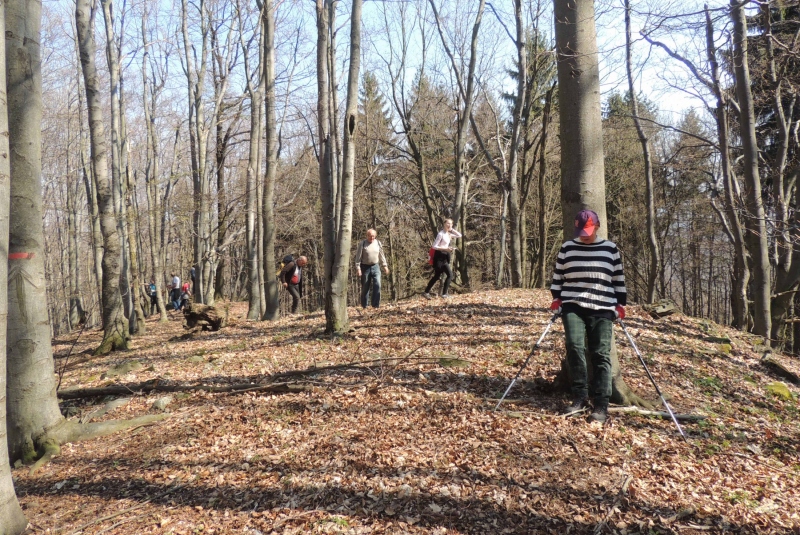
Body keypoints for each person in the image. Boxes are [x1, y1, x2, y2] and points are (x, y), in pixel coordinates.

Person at [550, 209, 627, 424]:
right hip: (573, 305)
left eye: (589, 231)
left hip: (603, 307)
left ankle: (601, 403)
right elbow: (558, 277)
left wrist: (621, 304)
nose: (585, 235)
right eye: (581, 231)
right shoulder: (567, 248)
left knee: (601, 353)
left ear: (597, 227)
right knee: (574, 346)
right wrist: (556, 298)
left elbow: (618, 279)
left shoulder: (609, 249)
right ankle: (580, 397)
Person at [423, 218, 462, 299]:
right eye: (448, 223)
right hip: (439, 257)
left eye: (451, 224)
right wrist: (446, 249)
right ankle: (443, 294)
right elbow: (434, 246)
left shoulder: (448, 234)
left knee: (439, 276)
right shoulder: (441, 234)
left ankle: (427, 292)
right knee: (448, 275)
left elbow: (459, 235)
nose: (449, 225)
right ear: (444, 224)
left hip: (445, 256)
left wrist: (452, 229)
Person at [355, 229, 390, 308]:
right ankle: (365, 305)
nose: (372, 237)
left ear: (375, 236)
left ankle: (375, 305)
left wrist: (385, 266)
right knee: (365, 286)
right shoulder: (363, 243)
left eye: (373, 236)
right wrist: (358, 268)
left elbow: (381, 255)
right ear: (367, 236)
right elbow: (358, 257)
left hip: (375, 266)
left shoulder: (378, 243)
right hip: (365, 267)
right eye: (370, 236)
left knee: (377, 284)